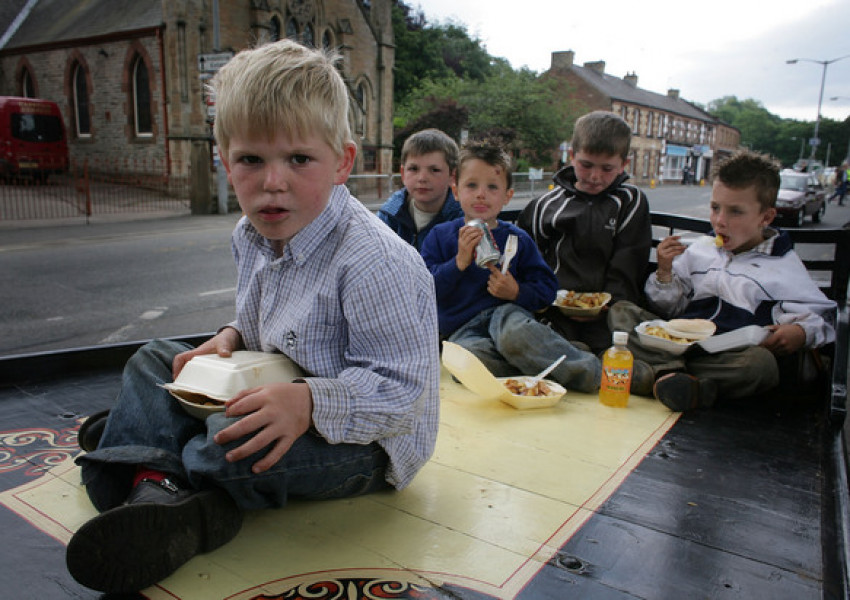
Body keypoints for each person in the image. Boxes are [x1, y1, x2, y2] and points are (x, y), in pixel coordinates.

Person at [66, 39, 440, 594]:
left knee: (224, 439)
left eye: (298, 159)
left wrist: (310, 402)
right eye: (251, 160)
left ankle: (158, 476)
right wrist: (229, 336)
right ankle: (161, 480)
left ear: (342, 161)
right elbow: (260, 321)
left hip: (365, 442)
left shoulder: (378, 261)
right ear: (225, 160)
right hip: (274, 387)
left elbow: (403, 391)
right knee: (154, 358)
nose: (272, 182)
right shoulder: (253, 233)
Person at [609, 149, 836, 411]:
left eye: (735, 212)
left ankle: (654, 376)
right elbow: (667, 309)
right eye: (715, 208)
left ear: (766, 217)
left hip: (728, 355)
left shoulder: (784, 266)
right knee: (621, 312)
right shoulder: (699, 250)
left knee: (759, 366)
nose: (720, 221)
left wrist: (800, 332)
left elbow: (820, 316)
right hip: (676, 346)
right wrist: (664, 272)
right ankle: (677, 380)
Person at [420, 139, 600, 393]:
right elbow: (423, 291)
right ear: (456, 191)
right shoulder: (440, 236)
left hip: (507, 316)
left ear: (507, 196)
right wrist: (457, 263)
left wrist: (516, 292)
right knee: (466, 366)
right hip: (462, 330)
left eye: (492, 187)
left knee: (514, 337)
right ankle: (553, 355)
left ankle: (592, 373)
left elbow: (547, 289)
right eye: (472, 185)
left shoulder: (518, 239)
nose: (481, 194)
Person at [517, 111, 652, 358]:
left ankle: (583, 358)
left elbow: (628, 262)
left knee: (624, 320)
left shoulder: (629, 201)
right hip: (554, 310)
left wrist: (606, 304)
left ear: (624, 165)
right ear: (571, 156)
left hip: (610, 313)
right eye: (586, 165)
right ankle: (575, 357)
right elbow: (529, 259)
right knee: (518, 327)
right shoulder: (545, 206)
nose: (594, 176)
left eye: (607, 168)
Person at [377, 128, 463, 250]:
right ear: (403, 173)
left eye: (434, 170)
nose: (422, 178)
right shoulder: (388, 217)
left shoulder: (464, 220)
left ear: (452, 176)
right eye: (413, 169)